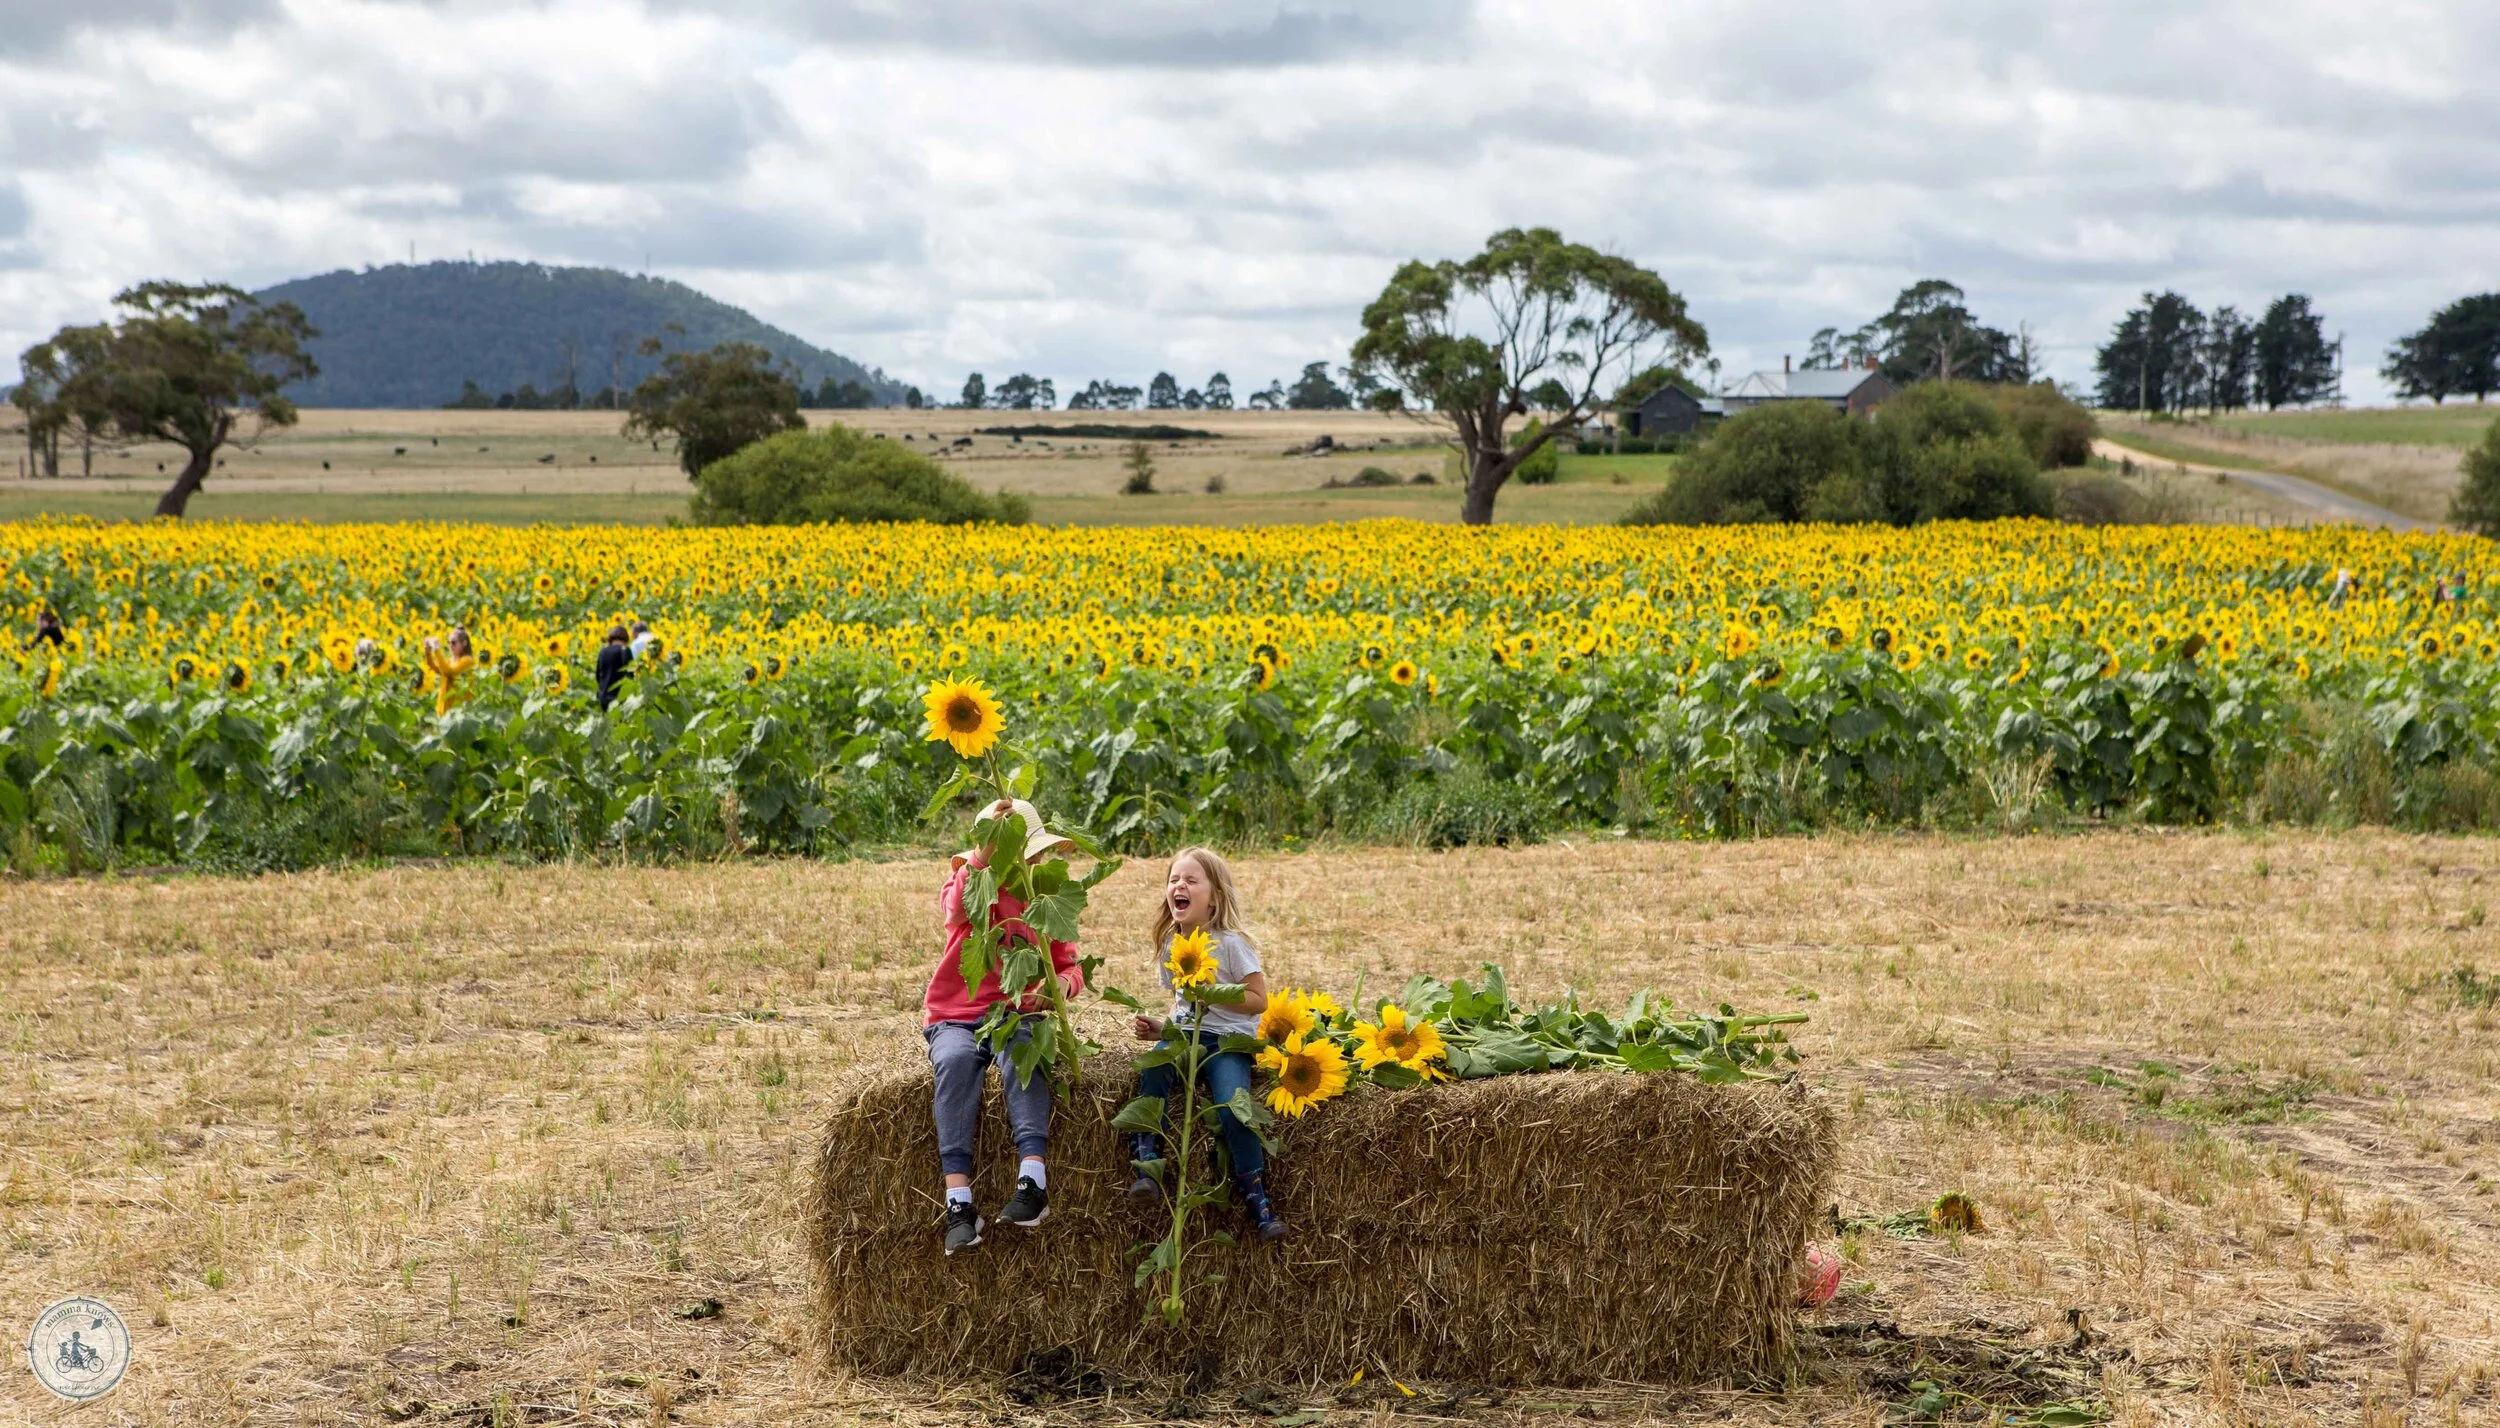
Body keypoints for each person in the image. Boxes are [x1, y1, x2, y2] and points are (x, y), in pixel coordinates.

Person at [923, 797, 1087, 1255]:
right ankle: (959, 1201)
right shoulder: (970, 885)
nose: (1028, 861)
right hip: (956, 1013)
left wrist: (1056, 989)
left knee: (1025, 1051)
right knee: (954, 1064)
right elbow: (956, 907)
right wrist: (985, 855)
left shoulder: (1045, 900)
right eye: (1017, 851)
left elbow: (1069, 967)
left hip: (1016, 1012)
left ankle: (1032, 1181)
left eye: (1032, 853)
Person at [1126, 846, 1288, 1241]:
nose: (1179, 885)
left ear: (1214, 896)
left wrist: (1214, 993)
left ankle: (1258, 1198)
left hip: (1228, 1042)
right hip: (1187, 1036)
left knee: (1235, 1110)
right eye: (1173, 880)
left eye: (1191, 880)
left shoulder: (1231, 943)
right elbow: (1182, 1005)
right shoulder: (1172, 944)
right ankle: (1147, 1161)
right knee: (1154, 1067)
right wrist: (1164, 1029)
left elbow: (1258, 1001)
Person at [420, 626, 477, 717]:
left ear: (464, 643)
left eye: (454, 643)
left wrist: (437, 649)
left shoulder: (468, 661)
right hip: (446, 710)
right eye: (449, 642)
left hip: (459, 711)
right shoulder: (451, 660)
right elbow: (436, 668)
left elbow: (448, 672)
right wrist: (428, 653)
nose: (450, 645)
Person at [594, 625, 633, 708]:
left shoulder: (603, 652)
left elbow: (598, 675)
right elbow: (631, 674)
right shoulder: (626, 651)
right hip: (620, 697)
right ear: (625, 638)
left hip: (604, 697)